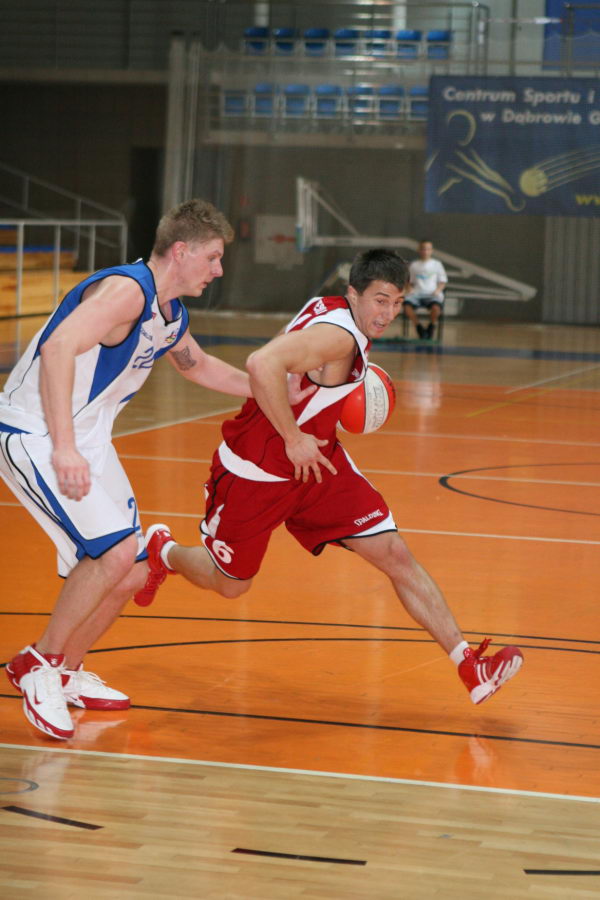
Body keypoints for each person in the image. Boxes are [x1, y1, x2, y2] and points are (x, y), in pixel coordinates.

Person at [135, 248, 523, 706]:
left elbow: (288, 361)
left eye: (397, 303)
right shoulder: (339, 336)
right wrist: (292, 435)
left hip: (318, 465)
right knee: (231, 584)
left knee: (394, 553)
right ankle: (164, 552)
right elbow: (262, 363)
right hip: (258, 472)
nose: (388, 313)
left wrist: (309, 414)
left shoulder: (330, 309)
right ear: (354, 294)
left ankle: (469, 665)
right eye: (380, 300)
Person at [0, 198, 313, 741]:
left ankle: (66, 671)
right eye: (213, 257)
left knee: (135, 568)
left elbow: (200, 366)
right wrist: (65, 449)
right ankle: (39, 664)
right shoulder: (127, 291)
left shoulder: (169, 314)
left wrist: (273, 389)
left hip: (87, 440)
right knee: (117, 551)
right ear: (181, 251)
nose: (219, 269)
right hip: (37, 433)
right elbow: (57, 348)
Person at [403, 239, 447, 339]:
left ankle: (431, 326)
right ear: (419, 250)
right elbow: (409, 282)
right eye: (423, 249)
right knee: (406, 306)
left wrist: (438, 290)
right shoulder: (414, 265)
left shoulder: (437, 264)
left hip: (432, 294)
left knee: (436, 308)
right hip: (416, 294)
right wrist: (409, 288)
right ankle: (418, 326)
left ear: (431, 250)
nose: (425, 251)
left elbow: (443, 281)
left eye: (428, 249)